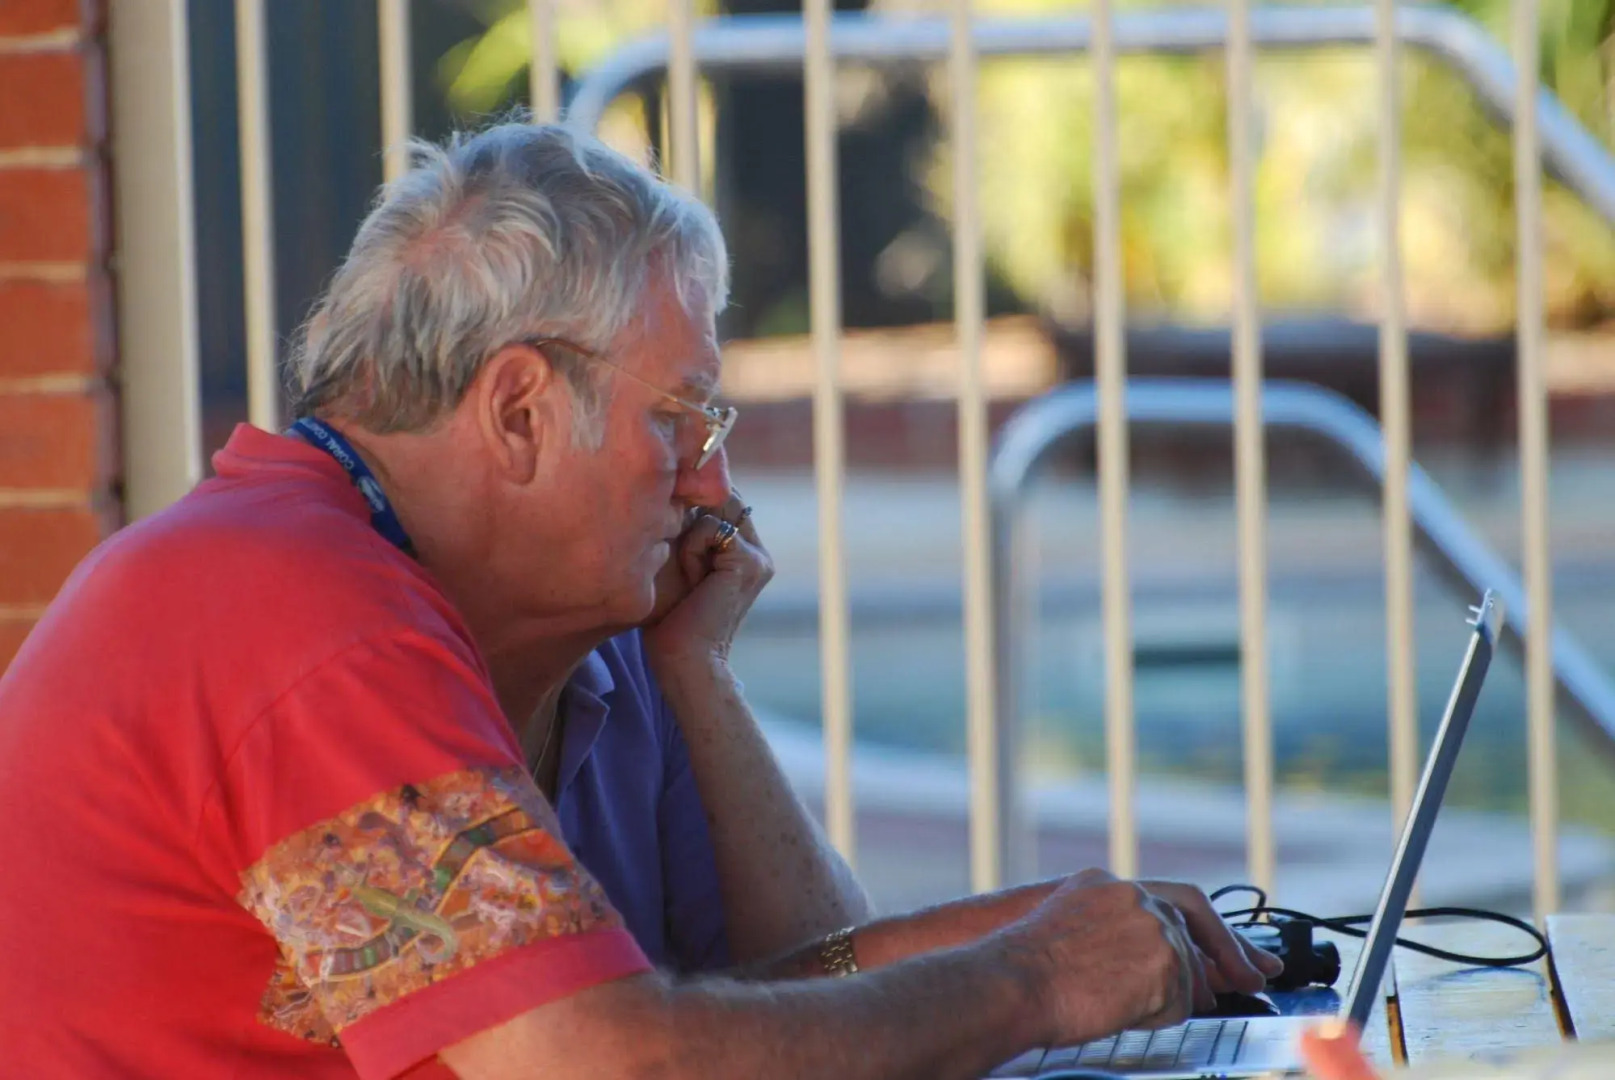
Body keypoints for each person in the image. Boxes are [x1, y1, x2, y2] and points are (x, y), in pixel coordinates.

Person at [0, 120, 1278, 1079]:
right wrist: (1034, 981)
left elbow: (788, 988)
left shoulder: (583, 643)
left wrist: (696, 681)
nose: (713, 480)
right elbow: (609, 1064)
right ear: (516, 411)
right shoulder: (295, 609)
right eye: (680, 418)